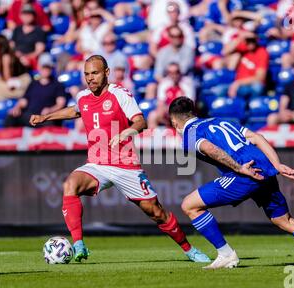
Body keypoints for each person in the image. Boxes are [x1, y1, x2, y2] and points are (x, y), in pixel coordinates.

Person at [29, 55, 210, 263]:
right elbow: (75, 111)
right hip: (97, 165)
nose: (90, 78)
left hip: (126, 166)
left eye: (95, 73)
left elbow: (140, 122)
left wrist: (126, 133)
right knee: (70, 185)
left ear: (106, 72)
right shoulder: (83, 97)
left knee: (156, 212)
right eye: (86, 74)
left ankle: (189, 249)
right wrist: (45, 117)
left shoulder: (120, 94)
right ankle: (79, 245)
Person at [168, 96, 294, 269]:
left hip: (245, 173)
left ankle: (226, 255)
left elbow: (208, 148)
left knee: (189, 205)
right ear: (193, 113)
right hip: (265, 168)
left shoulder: (189, 134)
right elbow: (257, 137)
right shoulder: (219, 121)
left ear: (174, 122)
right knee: (284, 220)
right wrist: (277, 165)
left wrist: (238, 168)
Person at [5, 53, 66, 127]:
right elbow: (24, 100)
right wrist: (17, 107)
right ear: (39, 68)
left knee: (49, 124)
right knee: (11, 117)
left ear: (51, 68)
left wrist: (50, 110)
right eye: (43, 67)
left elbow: (60, 103)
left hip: (45, 118)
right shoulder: (33, 83)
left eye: (48, 67)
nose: (45, 70)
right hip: (30, 116)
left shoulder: (57, 85)